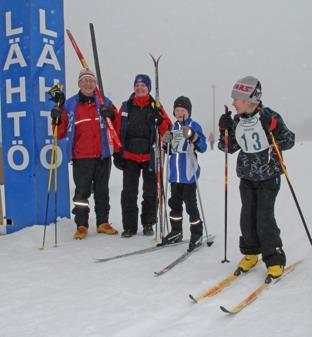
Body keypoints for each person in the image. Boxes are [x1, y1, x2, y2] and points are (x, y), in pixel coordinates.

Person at [218, 76, 295, 281]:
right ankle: (251, 254)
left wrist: (274, 126)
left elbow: (289, 141)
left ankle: (274, 258)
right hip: (247, 176)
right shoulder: (236, 120)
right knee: (247, 217)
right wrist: (223, 131)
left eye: (237, 99)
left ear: (250, 100)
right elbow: (228, 148)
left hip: (269, 177)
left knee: (264, 217)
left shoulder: (269, 116)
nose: (233, 102)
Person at [50, 69, 118, 239]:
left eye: (91, 81)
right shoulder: (70, 104)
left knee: (102, 191)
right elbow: (60, 133)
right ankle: (82, 224)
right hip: (81, 156)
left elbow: (117, 124)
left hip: (102, 154)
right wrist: (56, 117)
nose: (88, 84)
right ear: (79, 84)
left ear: (95, 84)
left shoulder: (105, 102)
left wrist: (112, 115)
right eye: (84, 80)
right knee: (82, 193)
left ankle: (103, 222)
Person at [113, 74, 171, 238]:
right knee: (129, 193)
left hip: (150, 156)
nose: (140, 88)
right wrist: (117, 152)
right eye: (137, 85)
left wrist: (160, 121)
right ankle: (130, 226)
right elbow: (116, 130)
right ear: (134, 88)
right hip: (130, 156)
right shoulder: (126, 107)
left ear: (149, 88)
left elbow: (167, 131)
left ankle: (148, 223)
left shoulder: (156, 107)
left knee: (150, 192)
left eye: (143, 86)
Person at [160, 96, 207, 252]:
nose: (180, 113)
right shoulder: (173, 128)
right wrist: (165, 143)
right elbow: (168, 151)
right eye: (177, 110)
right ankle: (176, 230)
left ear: (188, 112)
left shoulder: (194, 125)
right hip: (175, 174)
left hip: (188, 173)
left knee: (190, 204)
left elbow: (203, 146)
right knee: (174, 202)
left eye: (183, 110)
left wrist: (193, 136)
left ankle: (197, 233)